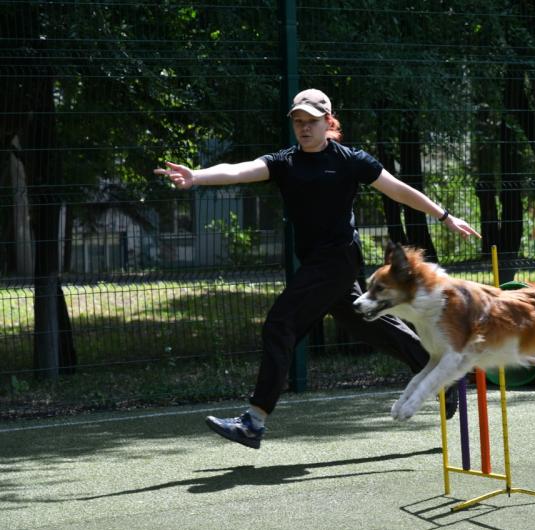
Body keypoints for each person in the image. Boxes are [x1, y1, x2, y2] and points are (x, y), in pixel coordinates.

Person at [154, 88, 481, 449]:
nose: (303, 128)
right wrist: (196, 176)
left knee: (280, 324)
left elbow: (398, 190)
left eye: (311, 122)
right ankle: (440, 376)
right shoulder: (285, 162)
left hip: (337, 257)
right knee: (370, 324)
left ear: (329, 122)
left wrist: (444, 216)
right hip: (316, 262)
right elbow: (238, 170)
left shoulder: (350, 160)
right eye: (298, 122)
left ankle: (254, 421)